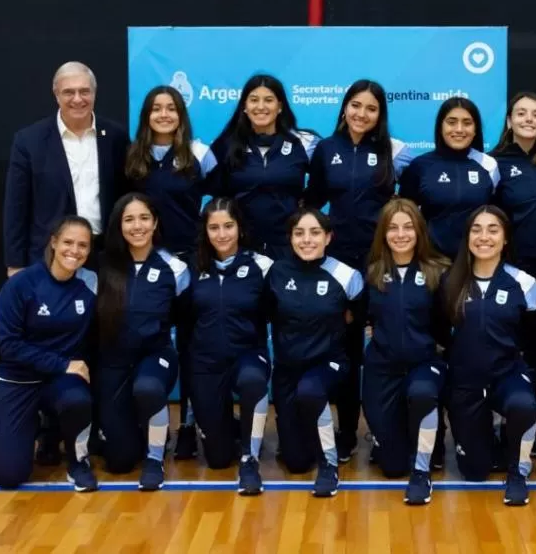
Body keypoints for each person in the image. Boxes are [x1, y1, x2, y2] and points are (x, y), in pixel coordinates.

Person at [305, 79, 413, 462]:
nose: (361, 114)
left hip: (380, 264)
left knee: (386, 345)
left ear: (380, 115)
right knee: (347, 347)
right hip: (337, 266)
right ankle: (347, 431)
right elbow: (313, 201)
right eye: (355, 105)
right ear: (344, 107)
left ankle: (390, 428)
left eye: (370, 108)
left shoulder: (394, 152)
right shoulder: (326, 149)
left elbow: (411, 207)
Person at [126, 85, 218, 460]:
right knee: (151, 343)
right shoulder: (134, 156)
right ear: (146, 115)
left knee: (192, 346)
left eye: (171, 108)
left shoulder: (198, 154)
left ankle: (187, 426)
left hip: (190, 263)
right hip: (147, 265)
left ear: (181, 114)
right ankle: (150, 424)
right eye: (156, 108)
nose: (164, 114)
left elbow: (223, 197)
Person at [0, 216, 99, 491]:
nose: (74, 251)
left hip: (59, 381)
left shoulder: (88, 288)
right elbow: (9, 346)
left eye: (82, 245)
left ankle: (77, 461)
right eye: (68, 242)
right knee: (9, 475)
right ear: (53, 242)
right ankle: (30, 427)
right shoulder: (20, 285)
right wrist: (63, 364)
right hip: (18, 379)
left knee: (77, 399)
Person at [440, 205, 536, 506]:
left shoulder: (524, 283)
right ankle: (490, 436)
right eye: (477, 229)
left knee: (523, 403)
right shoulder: (449, 281)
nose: (484, 237)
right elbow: (440, 332)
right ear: (467, 236)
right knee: (474, 471)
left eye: (493, 230)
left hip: (506, 376)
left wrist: (523, 371)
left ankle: (518, 472)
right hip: (466, 383)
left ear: (506, 238)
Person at [266, 208, 364, 498]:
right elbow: (270, 314)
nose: (306, 240)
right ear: (290, 238)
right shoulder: (277, 273)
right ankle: (308, 439)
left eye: (314, 233)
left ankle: (329, 465)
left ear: (328, 237)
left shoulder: (347, 276)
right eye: (299, 233)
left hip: (328, 362)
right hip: (287, 368)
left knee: (311, 390)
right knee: (296, 463)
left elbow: (355, 318)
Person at [95, 193, 189, 491]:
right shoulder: (101, 266)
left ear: (155, 222)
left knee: (147, 388)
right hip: (113, 360)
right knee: (119, 461)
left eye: (144, 218)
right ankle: (133, 431)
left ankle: (155, 456)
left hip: (155, 354)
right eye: (129, 219)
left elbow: (184, 315)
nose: (137, 226)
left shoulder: (174, 267)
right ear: (118, 225)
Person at [361, 198, 450, 505]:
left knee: (423, 391)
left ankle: (422, 471)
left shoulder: (438, 272)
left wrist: (438, 352)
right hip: (382, 369)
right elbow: (360, 317)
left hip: (424, 364)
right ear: (383, 234)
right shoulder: (371, 274)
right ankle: (394, 440)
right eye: (393, 228)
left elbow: (447, 323)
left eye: (408, 227)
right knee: (391, 467)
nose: (401, 234)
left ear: (419, 231)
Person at [490, 92, 536, 459]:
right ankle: (501, 425)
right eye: (521, 113)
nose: (529, 119)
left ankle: (530, 427)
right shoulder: (494, 163)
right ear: (509, 121)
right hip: (511, 272)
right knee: (507, 347)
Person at [4, 61, 129, 276]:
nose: (78, 99)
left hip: (104, 257)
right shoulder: (29, 141)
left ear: (94, 93)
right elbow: (16, 206)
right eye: (69, 92)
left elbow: (126, 195)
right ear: (56, 95)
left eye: (84, 91)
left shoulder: (115, 136)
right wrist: (15, 264)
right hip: (49, 258)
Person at [184, 198, 272, 495]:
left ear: (240, 228)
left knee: (252, 380)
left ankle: (250, 458)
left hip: (248, 355)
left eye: (228, 226)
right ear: (205, 231)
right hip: (205, 363)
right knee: (218, 460)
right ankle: (229, 428)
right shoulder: (191, 268)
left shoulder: (262, 266)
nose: (222, 234)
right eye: (214, 228)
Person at [210, 74, 319, 259]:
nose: (261, 107)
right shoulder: (225, 145)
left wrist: (303, 205)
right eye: (254, 100)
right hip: (240, 247)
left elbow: (325, 182)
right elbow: (214, 190)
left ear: (280, 106)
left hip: (290, 246)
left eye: (268, 100)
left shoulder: (305, 142)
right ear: (244, 106)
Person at [398, 97, 500, 259]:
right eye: (451, 122)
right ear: (440, 127)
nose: (459, 129)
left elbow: (497, 217)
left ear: (475, 129)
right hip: (432, 263)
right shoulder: (420, 166)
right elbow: (405, 216)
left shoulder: (489, 166)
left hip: (476, 262)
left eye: (467, 123)